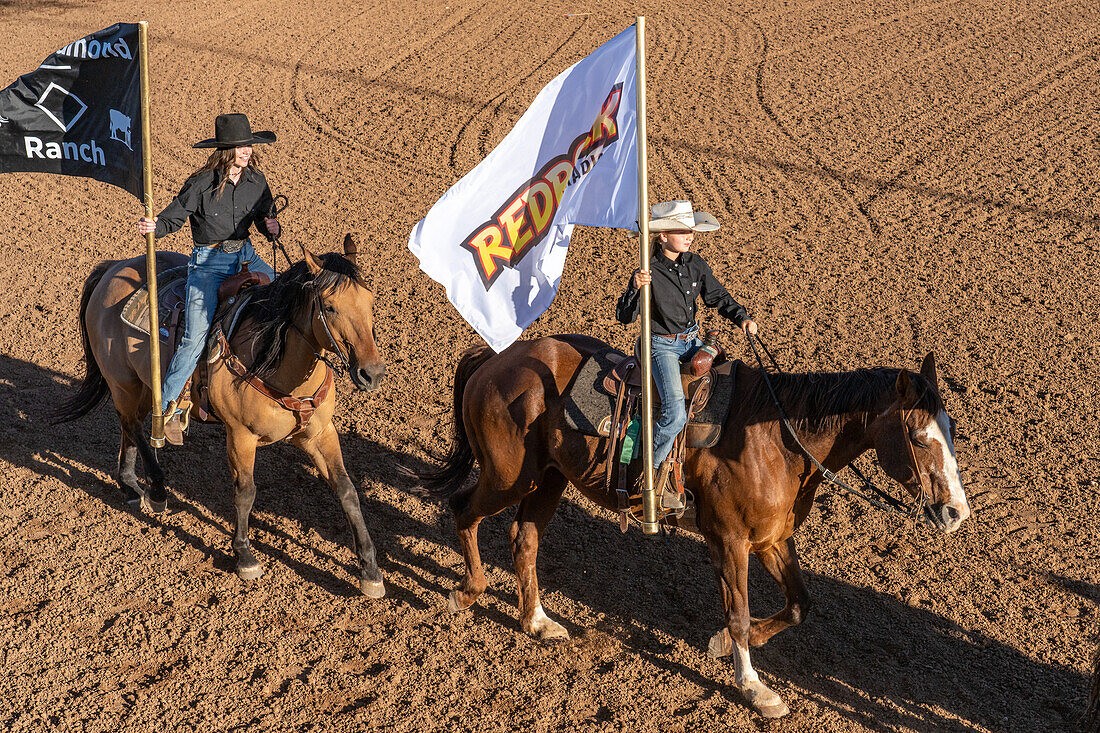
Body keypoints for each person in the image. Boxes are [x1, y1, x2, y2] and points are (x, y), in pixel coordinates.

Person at [137, 113, 280, 444]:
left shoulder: (257, 182)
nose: (246, 151)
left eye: (248, 145)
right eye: (240, 146)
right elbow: (173, 219)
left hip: (246, 257)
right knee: (195, 337)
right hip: (208, 266)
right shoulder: (200, 183)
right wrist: (154, 226)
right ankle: (167, 407)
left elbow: (266, 219)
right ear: (226, 150)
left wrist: (272, 228)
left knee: (284, 297)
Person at [616, 200, 758, 511]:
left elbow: (717, 296)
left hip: (692, 340)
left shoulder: (696, 264)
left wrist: (742, 317)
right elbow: (624, 317)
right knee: (675, 413)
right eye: (682, 230)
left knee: (729, 383)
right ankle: (649, 472)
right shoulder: (647, 271)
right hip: (660, 346)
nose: (690, 235)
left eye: (691, 230)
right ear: (662, 235)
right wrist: (634, 287)